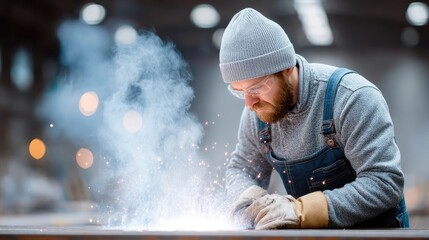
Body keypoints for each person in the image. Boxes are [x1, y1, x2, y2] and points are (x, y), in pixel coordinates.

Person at [219, 8, 409, 229]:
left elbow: (385, 183)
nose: (249, 104)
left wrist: (301, 211)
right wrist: (249, 199)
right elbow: (241, 169)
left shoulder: (352, 98)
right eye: (239, 91)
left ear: (287, 67)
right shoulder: (257, 115)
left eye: (256, 88)